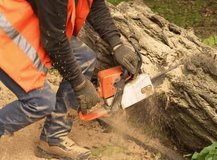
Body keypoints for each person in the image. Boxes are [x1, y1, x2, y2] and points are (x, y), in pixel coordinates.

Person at [0, 0, 139, 159]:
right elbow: (54, 42)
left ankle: (53, 139)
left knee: (84, 58)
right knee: (40, 102)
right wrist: (80, 84)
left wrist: (117, 44)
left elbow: (95, 5)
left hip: (33, 23)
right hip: (8, 31)